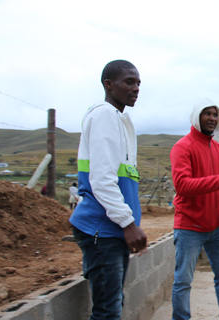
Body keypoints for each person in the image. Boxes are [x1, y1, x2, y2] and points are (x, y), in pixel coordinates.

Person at [69, 60, 148, 319]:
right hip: (101, 230)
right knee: (107, 311)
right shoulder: (104, 115)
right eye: (129, 82)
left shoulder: (118, 118)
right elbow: (102, 180)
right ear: (108, 84)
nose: (136, 88)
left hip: (110, 230)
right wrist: (128, 223)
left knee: (111, 307)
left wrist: (128, 223)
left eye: (138, 83)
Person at [170, 98, 219, 320]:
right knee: (183, 281)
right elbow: (182, 186)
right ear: (196, 117)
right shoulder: (182, 147)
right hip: (189, 226)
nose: (212, 118)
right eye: (207, 114)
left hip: (217, 225)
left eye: (215, 114)